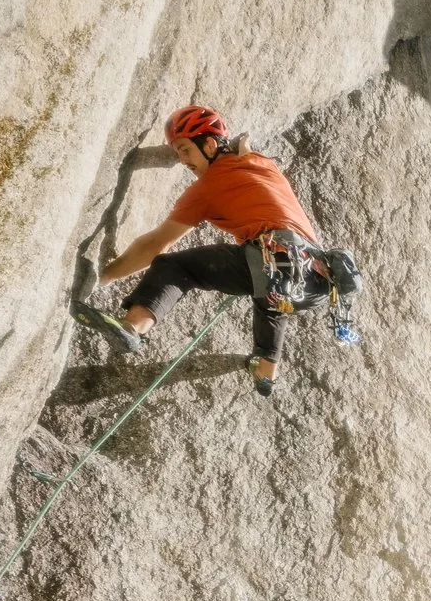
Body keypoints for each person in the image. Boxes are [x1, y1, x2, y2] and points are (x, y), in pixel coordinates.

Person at [73, 104, 324, 397]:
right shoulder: (260, 163)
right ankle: (267, 370)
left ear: (209, 144)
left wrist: (99, 279)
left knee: (177, 266)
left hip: (275, 259)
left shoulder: (210, 186)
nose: (181, 160)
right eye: (176, 153)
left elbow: (155, 245)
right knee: (271, 296)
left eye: (184, 150)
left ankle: (134, 327)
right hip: (316, 279)